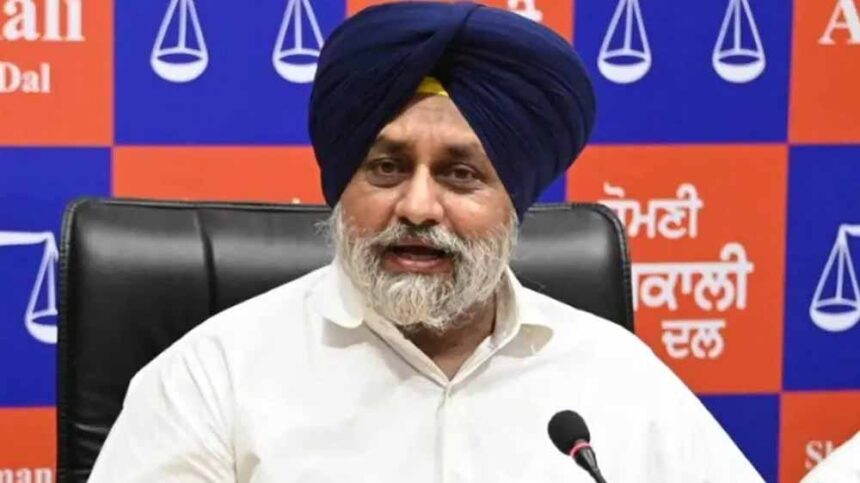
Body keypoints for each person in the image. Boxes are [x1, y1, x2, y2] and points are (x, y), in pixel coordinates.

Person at [88, 2, 763, 481]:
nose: (416, 206)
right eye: (386, 168)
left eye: (460, 175)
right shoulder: (214, 377)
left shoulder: (615, 375)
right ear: (342, 187)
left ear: (513, 204)